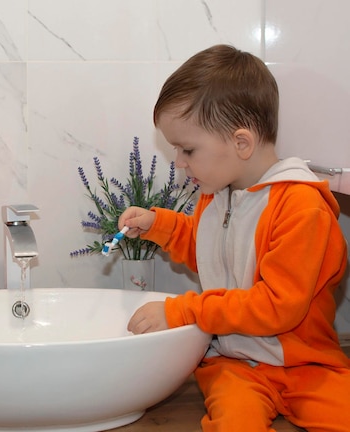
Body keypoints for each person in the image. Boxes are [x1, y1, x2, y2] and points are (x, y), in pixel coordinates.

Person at [119, 44, 350, 431]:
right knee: (234, 424)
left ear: (241, 143)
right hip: (234, 364)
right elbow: (209, 251)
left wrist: (184, 311)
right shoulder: (217, 195)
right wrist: (158, 225)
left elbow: (276, 306)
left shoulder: (301, 207)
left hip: (306, 365)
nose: (179, 162)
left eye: (187, 149)